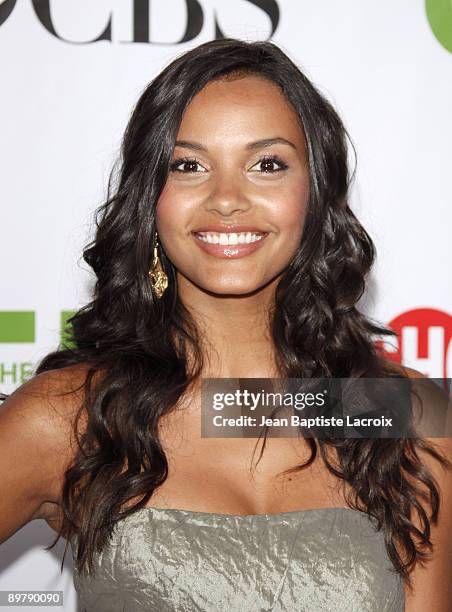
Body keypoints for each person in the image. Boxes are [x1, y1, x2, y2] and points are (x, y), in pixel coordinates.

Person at [0, 38, 451, 612]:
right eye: (188, 166)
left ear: (315, 193)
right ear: (149, 199)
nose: (227, 199)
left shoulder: (406, 413)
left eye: (267, 165)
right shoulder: (68, 418)